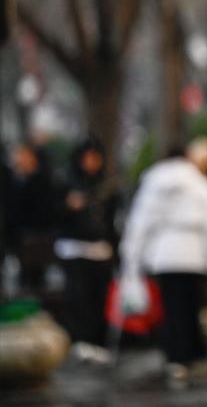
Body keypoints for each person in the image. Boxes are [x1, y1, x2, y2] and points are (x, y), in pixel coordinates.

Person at [118, 137, 207, 389]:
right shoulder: (199, 184)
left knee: (171, 308)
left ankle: (175, 357)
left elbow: (139, 224)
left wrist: (132, 258)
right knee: (192, 304)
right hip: (194, 253)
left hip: (163, 254)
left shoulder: (152, 185)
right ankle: (194, 354)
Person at [54, 137, 120, 363]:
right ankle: (81, 341)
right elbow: (50, 214)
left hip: (99, 249)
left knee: (99, 298)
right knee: (79, 298)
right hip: (74, 248)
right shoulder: (66, 183)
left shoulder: (106, 186)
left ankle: (98, 342)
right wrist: (67, 206)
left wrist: (115, 251)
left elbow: (111, 222)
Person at [6, 143, 56, 297]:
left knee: (38, 282)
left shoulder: (43, 181)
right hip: (18, 238)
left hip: (38, 238)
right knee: (22, 282)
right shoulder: (12, 180)